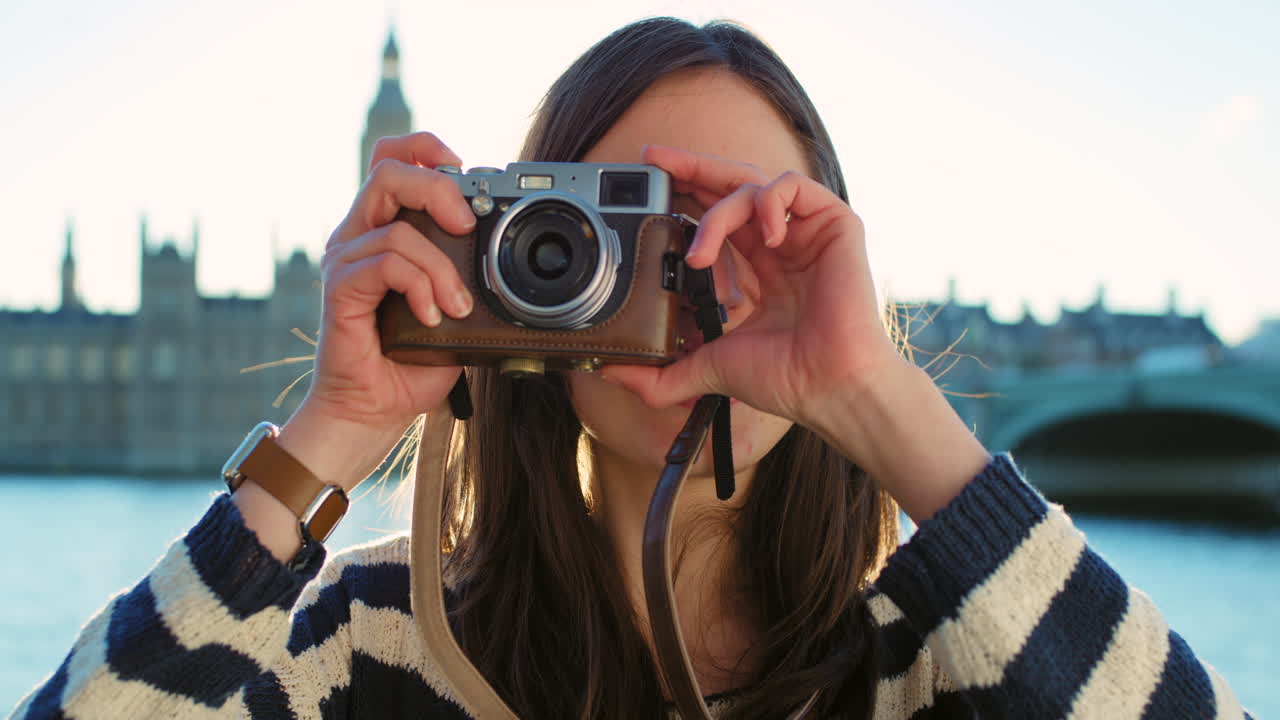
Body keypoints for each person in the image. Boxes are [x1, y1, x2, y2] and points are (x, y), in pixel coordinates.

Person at [11, 17, 1251, 720]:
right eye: (614, 234)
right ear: (511, 256)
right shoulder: (348, 642)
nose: (691, 287)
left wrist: (872, 396)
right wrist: (333, 427)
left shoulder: (953, 665)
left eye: (747, 234)